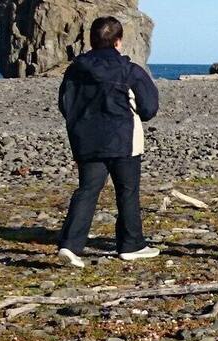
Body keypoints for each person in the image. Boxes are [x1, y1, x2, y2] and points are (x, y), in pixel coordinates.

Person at [55, 16, 160, 268]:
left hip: (87, 139)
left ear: (91, 40)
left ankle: (70, 244)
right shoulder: (130, 70)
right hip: (123, 138)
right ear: (118, 41)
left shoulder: (75, 70)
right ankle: (131, 244)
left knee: (88, 189)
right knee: (127, 190)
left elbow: (64, 103)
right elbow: (149, 107)